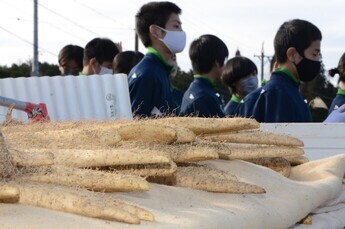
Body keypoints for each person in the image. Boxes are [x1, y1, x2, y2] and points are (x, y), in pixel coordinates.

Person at [252, 19, 322, 122]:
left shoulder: (288, 89)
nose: (318, 60)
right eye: (314, 54)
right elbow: (281, 137)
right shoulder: (278, 93)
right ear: (292, 54)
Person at [128, 1, 186, 117]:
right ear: (156, 31)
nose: (182, 32)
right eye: (176, 26)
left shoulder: (159, 70)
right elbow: (135, 129)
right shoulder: (147, 74)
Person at [179, 34, 228, 117]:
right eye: (224, 60)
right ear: (216, 63)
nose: (226, 65)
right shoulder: (204, 97)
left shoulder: (198, 90)